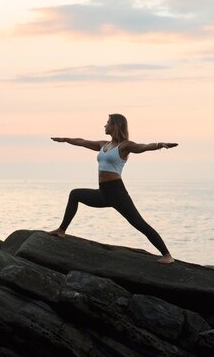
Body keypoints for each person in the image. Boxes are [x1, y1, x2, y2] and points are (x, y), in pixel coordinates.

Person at [48, 113, 178, 264]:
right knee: (75, 194)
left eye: (107, 123)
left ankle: (167, 255)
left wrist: (159, 145)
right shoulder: (103, 145)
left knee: (139, 223)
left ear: (116, 125)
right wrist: (65, 140)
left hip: (117, 193)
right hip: (103, 193)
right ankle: (61, 230)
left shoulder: (125, 146)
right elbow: (82, 141)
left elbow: (142, 147)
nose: (104, 125)